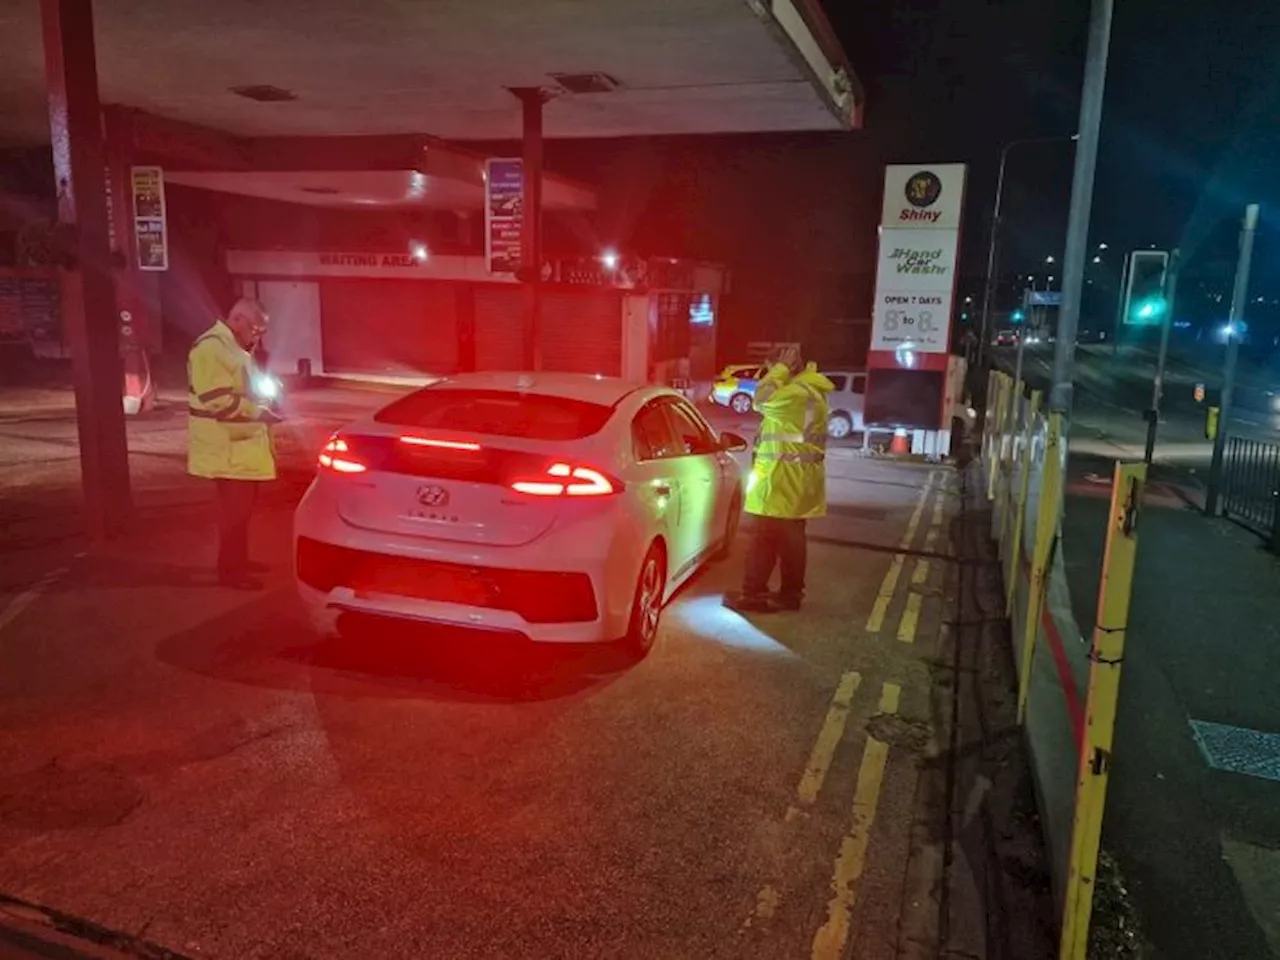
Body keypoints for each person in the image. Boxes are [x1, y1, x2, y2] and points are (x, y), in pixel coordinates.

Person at [725, 345, 833, 613]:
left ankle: (754, 596)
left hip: (781, 480)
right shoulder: (811, 393)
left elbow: (760, 398)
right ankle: (790, 595)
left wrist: (780, 369)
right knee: (792, 540)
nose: (768, 374)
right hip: (799, 480)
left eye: (769, 367)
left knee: (764, 538)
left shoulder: (794, 394)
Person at [187, 298, 282, 590]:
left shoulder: (233, 347)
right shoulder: (212, 347)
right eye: (255, 330)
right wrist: (260, 412)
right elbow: (218, 400)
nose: (257, 336)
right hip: (226, 447)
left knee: (240, 512)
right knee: (234, 514)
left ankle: (238, 562)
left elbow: (243, 387)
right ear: (237, 319)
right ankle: (231, 572)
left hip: (238, 445)